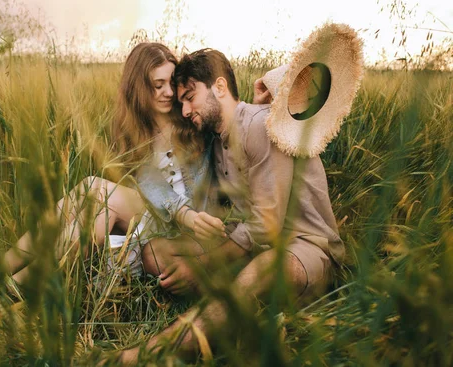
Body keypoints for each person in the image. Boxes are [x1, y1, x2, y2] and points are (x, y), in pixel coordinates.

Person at [118, 48, 345, 364]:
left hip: (304, 250)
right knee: (156, 253)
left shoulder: (263, 125)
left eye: (189, 97)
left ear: (220, 88)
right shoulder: (217, 139)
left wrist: (202, 265)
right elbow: (159, 168)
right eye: (180, 101)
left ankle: (161, 350)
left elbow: (267, 227)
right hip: (253, 247)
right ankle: (239, 304)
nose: (183, 110)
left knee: (266, 265)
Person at [3, 43, 236, 292]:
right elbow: (149, 184)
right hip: (158, 210)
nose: (168, 92)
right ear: (138, 87)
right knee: (91, 191)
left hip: (190, 220)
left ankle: (16, 285)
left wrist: (254, 102)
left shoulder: (192, 117)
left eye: (171, 82)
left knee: (99, 195)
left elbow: (229, 118)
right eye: (158, 85)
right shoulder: (134, 129)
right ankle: (4, 271)